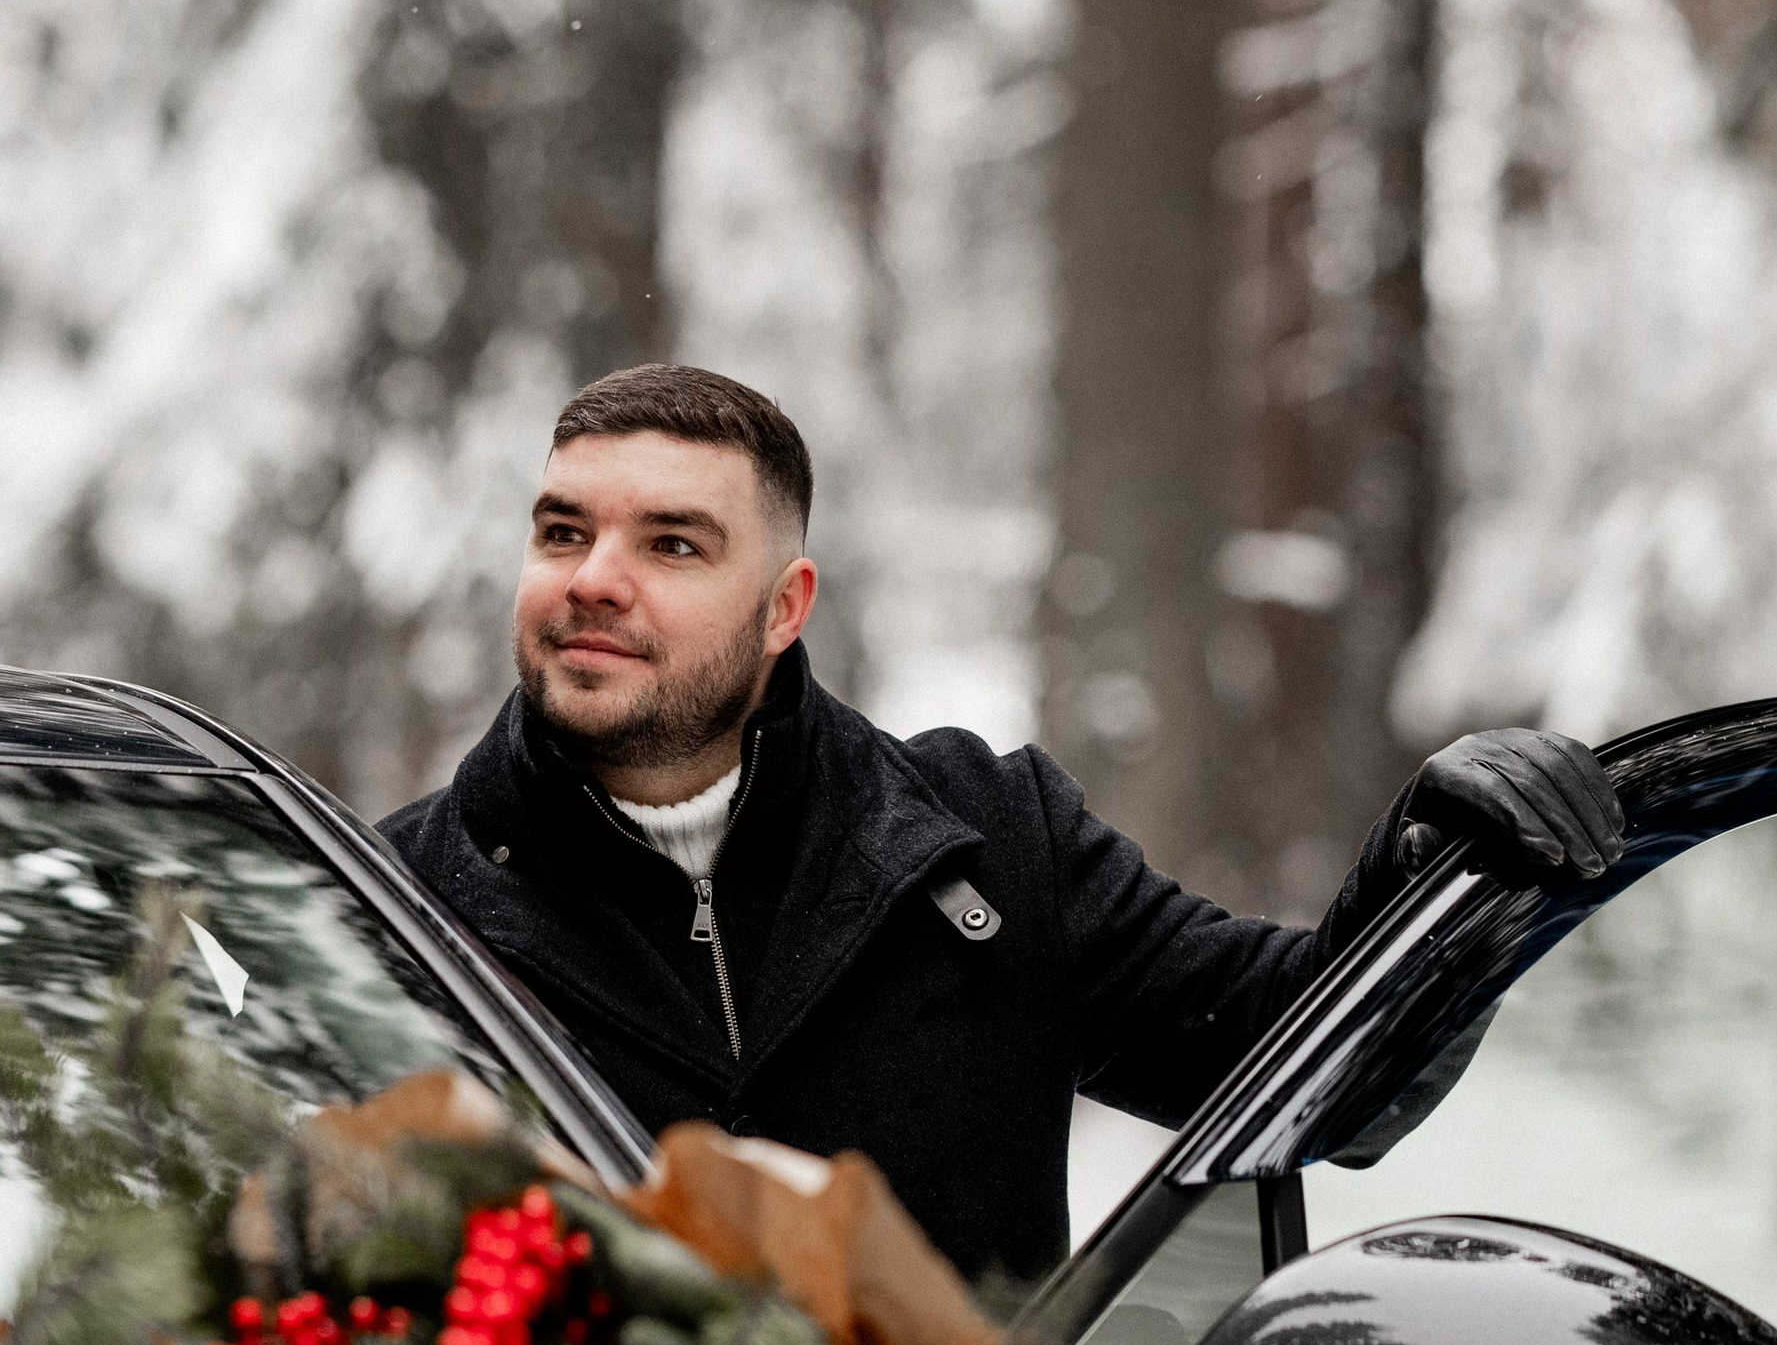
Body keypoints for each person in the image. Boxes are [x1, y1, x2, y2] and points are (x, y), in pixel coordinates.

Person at [382, 364, 1624, 1283]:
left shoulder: (980, 837)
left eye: (671, 543)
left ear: (782, 608)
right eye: (563, 531)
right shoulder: (389, 914)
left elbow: (1316, 1073)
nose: (594, 576)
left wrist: (1444, 882)